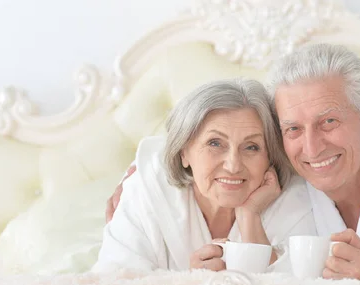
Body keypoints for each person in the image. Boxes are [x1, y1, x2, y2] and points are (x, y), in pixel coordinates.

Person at [106, 43, 360, 285]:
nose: (311, 148)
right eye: (293, 128)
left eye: (329, 121)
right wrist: (142, 182)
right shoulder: (280, 179)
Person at [94, 78, 315, 273]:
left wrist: (250, 218)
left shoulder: (296, 200)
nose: (233, 165)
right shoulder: (147, 189)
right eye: (215, 143)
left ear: (269, 157)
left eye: (251, 147)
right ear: (183, 152)